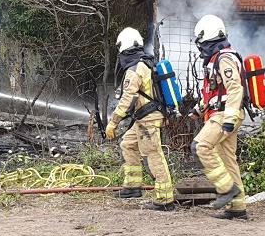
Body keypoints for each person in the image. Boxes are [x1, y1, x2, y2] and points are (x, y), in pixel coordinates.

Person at [105, 27, 175, 211]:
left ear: (124, 48)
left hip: (148, 120)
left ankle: (165, 199)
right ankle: (133, 187)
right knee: (128, 144)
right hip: (145, 118)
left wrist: (113, 122)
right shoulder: (145, 63)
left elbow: (128, 98)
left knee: (153, 155)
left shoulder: (135, 69)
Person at [189, 14, 247, 220]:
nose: (200, 46)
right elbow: (213, 93)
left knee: (200, 146)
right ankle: (237, 208)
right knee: (227, 159)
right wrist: (198, 109)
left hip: (225, 114)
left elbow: (234, 88)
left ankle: (225, 189)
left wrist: (230, 119)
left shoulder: (224, 58)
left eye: (201, 41)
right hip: (222, 112)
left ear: (207, 38)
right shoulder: (216, 59)